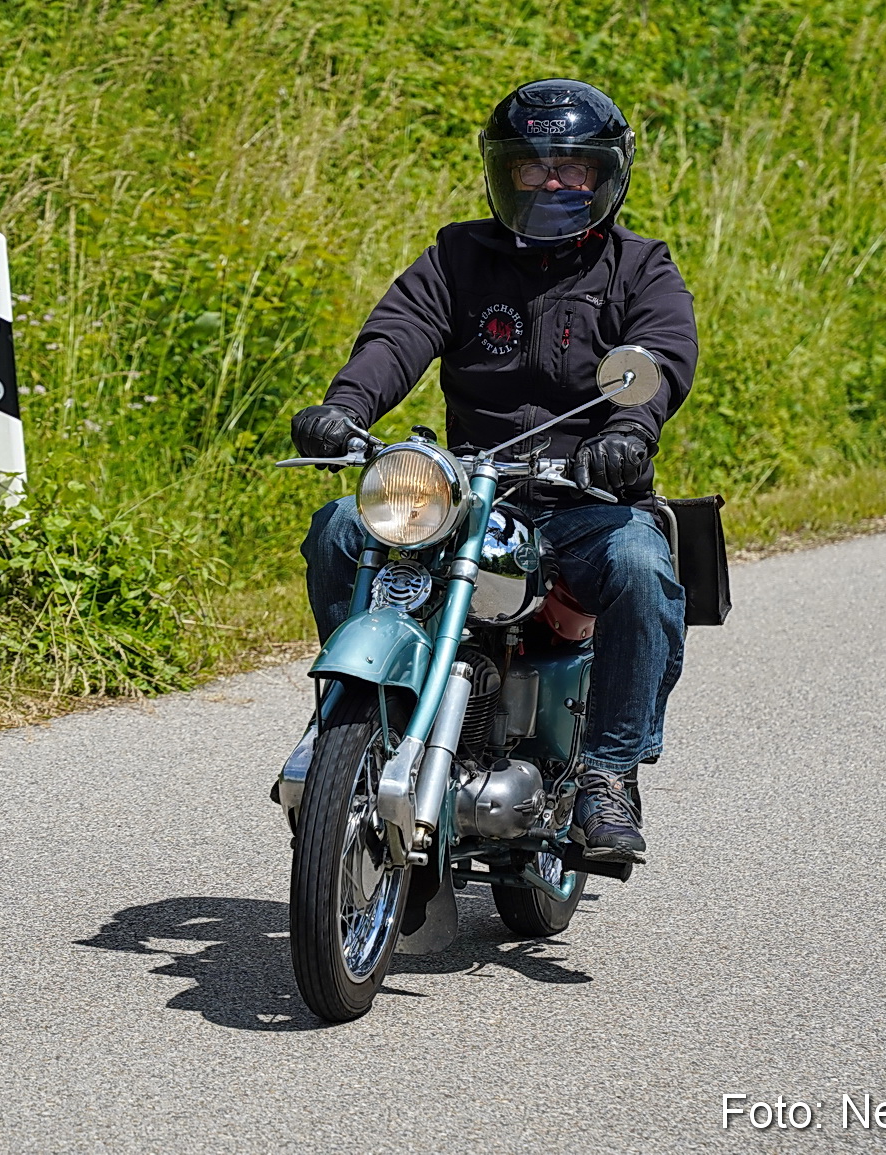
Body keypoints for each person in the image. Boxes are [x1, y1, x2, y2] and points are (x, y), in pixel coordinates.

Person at [291, 79, 697, 864]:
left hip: (584, 496)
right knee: (341, 528)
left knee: (643, 562)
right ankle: (352, 715)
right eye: (530, 168)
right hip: (468, 497)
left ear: (606, 175)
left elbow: (659, 355)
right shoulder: (458, 256)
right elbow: (398, 335)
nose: (551, 182)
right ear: (501, 174)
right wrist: (345, 407)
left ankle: (608, 774)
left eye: (571, 168)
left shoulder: (640, 267)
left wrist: (628, 433)